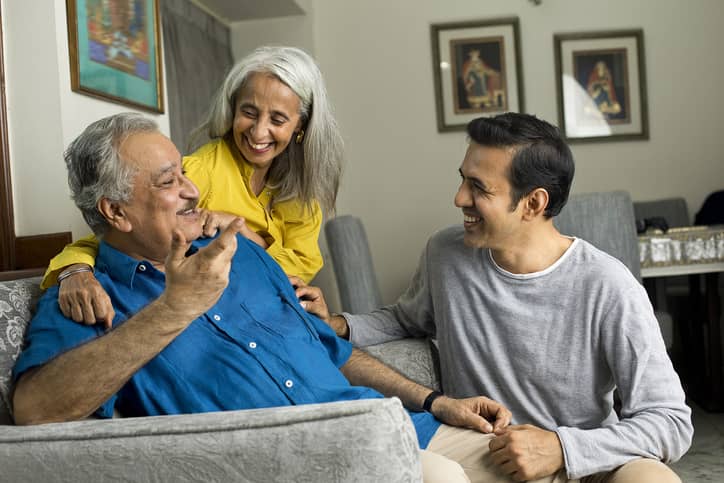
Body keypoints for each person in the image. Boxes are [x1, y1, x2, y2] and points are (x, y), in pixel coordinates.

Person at [12, 113, 517, 483]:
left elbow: (331, 351)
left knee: (542, 459)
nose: (192, 191)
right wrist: (175, 308)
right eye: (169, 181)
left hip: (398, 427)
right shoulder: (85, 298)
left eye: (184, 172)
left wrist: (436, 400)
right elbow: (36, 412)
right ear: (116, 212)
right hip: (314, 464)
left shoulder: (242, 254)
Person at [300, 113, 693, 482]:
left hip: (590, 462)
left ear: (534, 203)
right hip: (486, 455)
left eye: (479, 188)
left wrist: (562, 448)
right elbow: (405, 320)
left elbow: (671, 421)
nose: (459, 198)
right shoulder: (445, 254)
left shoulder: (608, 285)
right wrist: (336, 323)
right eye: (462, 179)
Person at [41, 46, 342, 327]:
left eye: (277, 119)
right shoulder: (200, 172)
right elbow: (116, 231)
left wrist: (246, 234)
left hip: (268, 316)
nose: (259, 131)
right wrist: (74, 271)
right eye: (249, 112)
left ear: (300, 126)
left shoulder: (303, 197)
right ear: (233, 108)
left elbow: (297, 270)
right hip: (210, 319)